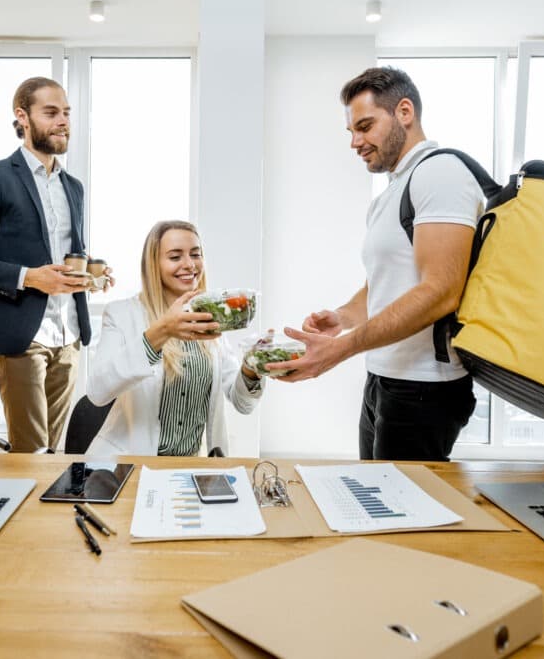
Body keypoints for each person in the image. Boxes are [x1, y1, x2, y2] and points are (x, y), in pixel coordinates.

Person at [275, 66, 484, 462]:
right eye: (351, 131)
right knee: (377, 508)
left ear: (404, 112)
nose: (356, 142)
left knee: (402, 520)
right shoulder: (392, 192)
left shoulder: (440, 174)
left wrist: (340, 349)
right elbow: (387, 282)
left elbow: (441, 291)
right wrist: (343, 317)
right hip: (386, 379)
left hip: (424, 387)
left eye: (365, 126)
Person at [0, 77, 110, 453]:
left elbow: (70, 252)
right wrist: (28, 277)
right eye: (51, 113)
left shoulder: (74, 187)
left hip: (69, 335)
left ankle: (50, 514)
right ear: (23, 117)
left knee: (54, 453)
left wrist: (94, 274)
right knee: (30, 454)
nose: (62, 121)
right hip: (22, 337)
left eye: (66, 112)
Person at [86, 220, 263, 456]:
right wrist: (161, 332)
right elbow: (98, 391)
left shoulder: (211, 317)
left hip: (191, 470)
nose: (189, 265)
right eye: (175, 257)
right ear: (154, 264)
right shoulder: (121, 314)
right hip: (128, 467)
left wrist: (253, 366)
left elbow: (243, 403)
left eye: (195, 254)